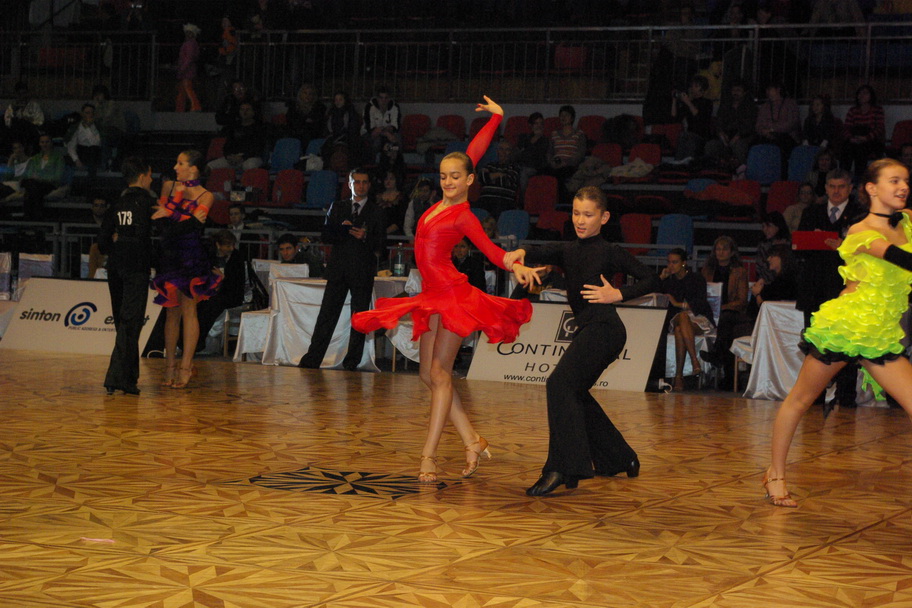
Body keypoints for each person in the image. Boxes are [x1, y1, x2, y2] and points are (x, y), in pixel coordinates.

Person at [350, 97, 539, 484]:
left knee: (439, 373)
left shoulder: (464, 216)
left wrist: (515, 263)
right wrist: (497, 118)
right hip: (432, 294)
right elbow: (473, 152)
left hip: (452, 297)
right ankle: (472, 439)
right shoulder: (440, 202)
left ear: (469, 181)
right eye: (443, 176)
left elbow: (492, 252)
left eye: (456, 176)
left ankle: (429, 456)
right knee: (427, 375)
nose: (448, 181)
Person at [765, 158, 912, 508]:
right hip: (846, 326)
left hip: (879, 333)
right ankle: (775, 473)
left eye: (906, 180)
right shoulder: (860, 230)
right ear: (871, 188)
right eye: (894, 180)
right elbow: (903, 260)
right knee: (801, 399)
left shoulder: (908, 222)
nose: (903, 186)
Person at [520, 186, 660, 496]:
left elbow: (652, 278)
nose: (580, 220)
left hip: (606, 330)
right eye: (575, 213)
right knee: (575, 394)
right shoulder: (569, 249)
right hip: (590, 329)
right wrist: (518, 254)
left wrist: (618, 293)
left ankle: (561, 468)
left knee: (559, 385)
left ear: (604, 217)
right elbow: (538, 250)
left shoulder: (609, 251)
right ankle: (620, 457)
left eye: (588, 214)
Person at [297, 168, 385, 371]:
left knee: (359, 317)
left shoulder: (377, 211)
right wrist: (343, 229)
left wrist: (365, 236)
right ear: (350, 184)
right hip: (338, 269)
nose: (361, 186)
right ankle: (313, 358)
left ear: (369, 185)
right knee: (326, 315)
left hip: (362, 270)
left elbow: (381, 245)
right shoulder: (338, 207)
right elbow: (325, 235)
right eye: (357, 182)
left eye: (364, 182)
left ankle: (352, 361)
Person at [151, 150, 222, 388]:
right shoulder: (169, 186)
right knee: (171, 312)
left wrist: (171, 213)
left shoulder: (206, 195)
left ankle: (186, 366)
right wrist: (180, 217)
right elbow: (162, 224)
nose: (175, 167)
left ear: (193, 169)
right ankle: (170, 365)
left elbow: (194, 226)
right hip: (170, 254)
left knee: (189, 310)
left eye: (180, 163)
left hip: (192, 256)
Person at [796, 167, 865, 408]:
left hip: (845, 287)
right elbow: (799, 248)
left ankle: (846, 395)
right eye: (832, 187)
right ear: (825, 188)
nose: (836, 191)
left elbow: (868, 251)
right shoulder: (811, 212)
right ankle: (813, 396)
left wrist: (843, 246)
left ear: (850, 189)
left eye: (841, 187)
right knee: (815, 342)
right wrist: (814, 240)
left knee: (846, 341)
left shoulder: (859, 214)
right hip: (814, 285)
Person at [98, 156, 155, 395]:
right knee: (131, 322)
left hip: (115, 266)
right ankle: (115, 378)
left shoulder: (117, 203)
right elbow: (149, 238)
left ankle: (129, 378)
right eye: (150, 176)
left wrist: (116, 243)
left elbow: (102, 242)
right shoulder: (148, 203)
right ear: (142, 177)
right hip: (136, 267)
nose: (151, 180)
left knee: (123, 322)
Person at [699, 236, 750, 390]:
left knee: (726, 320)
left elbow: (742, 300)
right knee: (725, 329)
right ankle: (727, 374)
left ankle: (717, 354)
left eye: (724, 249)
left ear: (732, 252)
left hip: (732, 312)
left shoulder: (739, 271)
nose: (720, 252)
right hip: (711, 311)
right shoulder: (707, 270)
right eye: (718, 249)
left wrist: (723, 307)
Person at [660, 248, 713, 392]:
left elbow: (701, 303)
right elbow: (655, 293)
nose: (671, 266)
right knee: (682, 317)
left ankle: (679, 377)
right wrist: (661, 278)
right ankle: (695, 361)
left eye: (675, 262)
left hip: (697, 318)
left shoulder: (697, 278)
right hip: (676, 318)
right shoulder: (668, 281)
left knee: (680, 329)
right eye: (669, 262)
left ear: (683, 263)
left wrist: (678, 304)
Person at [196, 230, 246, 353]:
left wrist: (223, 278)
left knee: (211, 305)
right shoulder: (210, 257)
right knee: (198, 304)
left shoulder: (237, 257)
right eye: (228, 245)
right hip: (210, 292)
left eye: (232, 245)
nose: (231, 248)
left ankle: (199, 340)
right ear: (218, 245)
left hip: (230, 294)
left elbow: (237, 283)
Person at [705, 79, 757, 167]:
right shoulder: (725, 106)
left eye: (738, 90)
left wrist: (737, 136)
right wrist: (721, 133)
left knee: (739, 146)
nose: (735, 93)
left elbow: (749, 126)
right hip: (726, 136)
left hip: (742, 137)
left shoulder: (750, 107)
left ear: (744, 92)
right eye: (734, 90)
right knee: (711, 146)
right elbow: (719, 122)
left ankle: (741, 170)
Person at [207, 101, 267, 172]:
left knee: (249, 166)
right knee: (210, 166)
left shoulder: (260, 127)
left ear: (253, 112)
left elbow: (258, 147)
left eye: (247, 109)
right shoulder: (234, 127)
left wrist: (242, 157)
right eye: (242, 109)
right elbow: (227, 145)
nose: (244, 112)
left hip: (252, 157)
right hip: (233, 158)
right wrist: (229, 156)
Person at [842, 85, 885, 178]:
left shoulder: (877, 110)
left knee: (861, 150)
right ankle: (844, 176)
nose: (862, 95)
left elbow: (880, 128)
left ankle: (859, 177)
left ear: (871, 96)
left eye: (865, 93)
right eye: (860, 93)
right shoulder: (853, 110)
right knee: (846, 149)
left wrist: (866, 138)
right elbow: (846, 127)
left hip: (871, 140)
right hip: (854, 138)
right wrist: (850, 138)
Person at [671, 75, 713, 161]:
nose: (692, 88)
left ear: (702, 89)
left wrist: (688, 102)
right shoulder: (689, 102)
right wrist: (674, 100)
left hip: (702, 136)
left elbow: (699, 117)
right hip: (689, 134)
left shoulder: (707, 103)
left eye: (695, 86)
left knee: (688, 137)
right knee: (683, 136)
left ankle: (687, 162)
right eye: (692, 86)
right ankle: (678, 162)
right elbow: (674, 117)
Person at [477, 140, 520, 218]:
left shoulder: (514, 167)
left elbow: (506, 182)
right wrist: (499, 174)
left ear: (511, 152)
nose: (503, 152)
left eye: (507, 150)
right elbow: (482, 178)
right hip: (485, 199)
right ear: (497, 151)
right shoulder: (490, 165)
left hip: (503, 200)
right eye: (501, 149)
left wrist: (490, 177)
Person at [361, 85, 401, 161]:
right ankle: (371, 163)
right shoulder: (369, 107)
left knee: (396, 140)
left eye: (386, 98)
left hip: (387, 134)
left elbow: (396, 126)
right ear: (377, 98)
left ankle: (393, 162)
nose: (383, 100)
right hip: (368, 134)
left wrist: (387, 132)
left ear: (389, 98)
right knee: (377, 142)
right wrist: (387, 133)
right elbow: (371, 130)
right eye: (381, 98)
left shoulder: (395, 107)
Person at [66, 103, 103, 178]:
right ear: (82, 114)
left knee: (93, 150)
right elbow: (71, 146)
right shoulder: (76, 127)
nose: (90, 115)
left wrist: (87, 128)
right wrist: (76, 160)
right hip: (81, 151)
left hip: (94, 152)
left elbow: (96, 143)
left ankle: (91, 178)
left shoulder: (97, 126)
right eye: (87, 113)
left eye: (92, 113)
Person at [285, 83, 326, 147]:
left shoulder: (319, 107)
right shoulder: (294, 107)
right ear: (301, 94)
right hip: (296, 135)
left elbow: (319, 124)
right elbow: (291, 122)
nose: (307, 96)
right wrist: (304, 121)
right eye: (305, 93)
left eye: (310, 94)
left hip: (312, 136)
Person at [756, 211, 792, 284]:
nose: (765, 229)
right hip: (767, 283)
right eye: (763, 226)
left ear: (778, 226)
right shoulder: (763, 245)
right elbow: (760, 269)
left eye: (769, 226)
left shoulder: (790, 244)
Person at [175, 23, 202, 112]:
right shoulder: (192, 44)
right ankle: (180, 108)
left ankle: (195, 106)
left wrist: (182, 69)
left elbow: (188, 58)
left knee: (187, 89)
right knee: (183, 90)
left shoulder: (190, 44)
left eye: (189, 33)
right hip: (188, 70)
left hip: (187, 71)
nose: (187, 34)